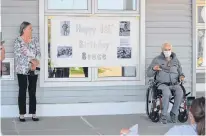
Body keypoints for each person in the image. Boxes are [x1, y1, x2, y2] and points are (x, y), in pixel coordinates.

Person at [147, 43, 185, 124]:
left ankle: (173, 113)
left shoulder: (176, 60)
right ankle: (164, 115)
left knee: (180, 92)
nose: (167, 51)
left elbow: (180, 72)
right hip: (162, 84)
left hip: (174, 83)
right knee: (167, 93)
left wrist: (182, 76)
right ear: (162, 50)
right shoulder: (157, 60)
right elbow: (149, 74)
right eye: (165, 49)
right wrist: (154, 69)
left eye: (169, 49)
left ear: (171, 50)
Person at [14, 21, 41, 122]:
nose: (32, 30)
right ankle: (22, 114)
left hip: (34, 69)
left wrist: (35, 63)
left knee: (32, 90)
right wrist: (31, 62)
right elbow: (18, 56)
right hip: (21, 69)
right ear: (24, 29)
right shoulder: (18, 41)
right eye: (30, 28)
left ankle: (33, 113)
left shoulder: (35, 40)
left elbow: (39, 53)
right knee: (22, 90)